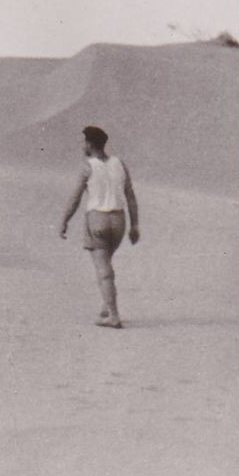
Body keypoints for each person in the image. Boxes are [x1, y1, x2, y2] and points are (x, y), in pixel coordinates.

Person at [58, 124, 141, 328]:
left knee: (103, 270)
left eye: (84, 142)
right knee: (107, 264)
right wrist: (134, 225)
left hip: (97, 220)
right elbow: (130, 196)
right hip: (119, 221)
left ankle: (113, 315)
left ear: (89, 144)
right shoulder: (119, 163)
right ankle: (106, 305)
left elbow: (75, 199)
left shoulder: (88, 167)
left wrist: (64, 221)